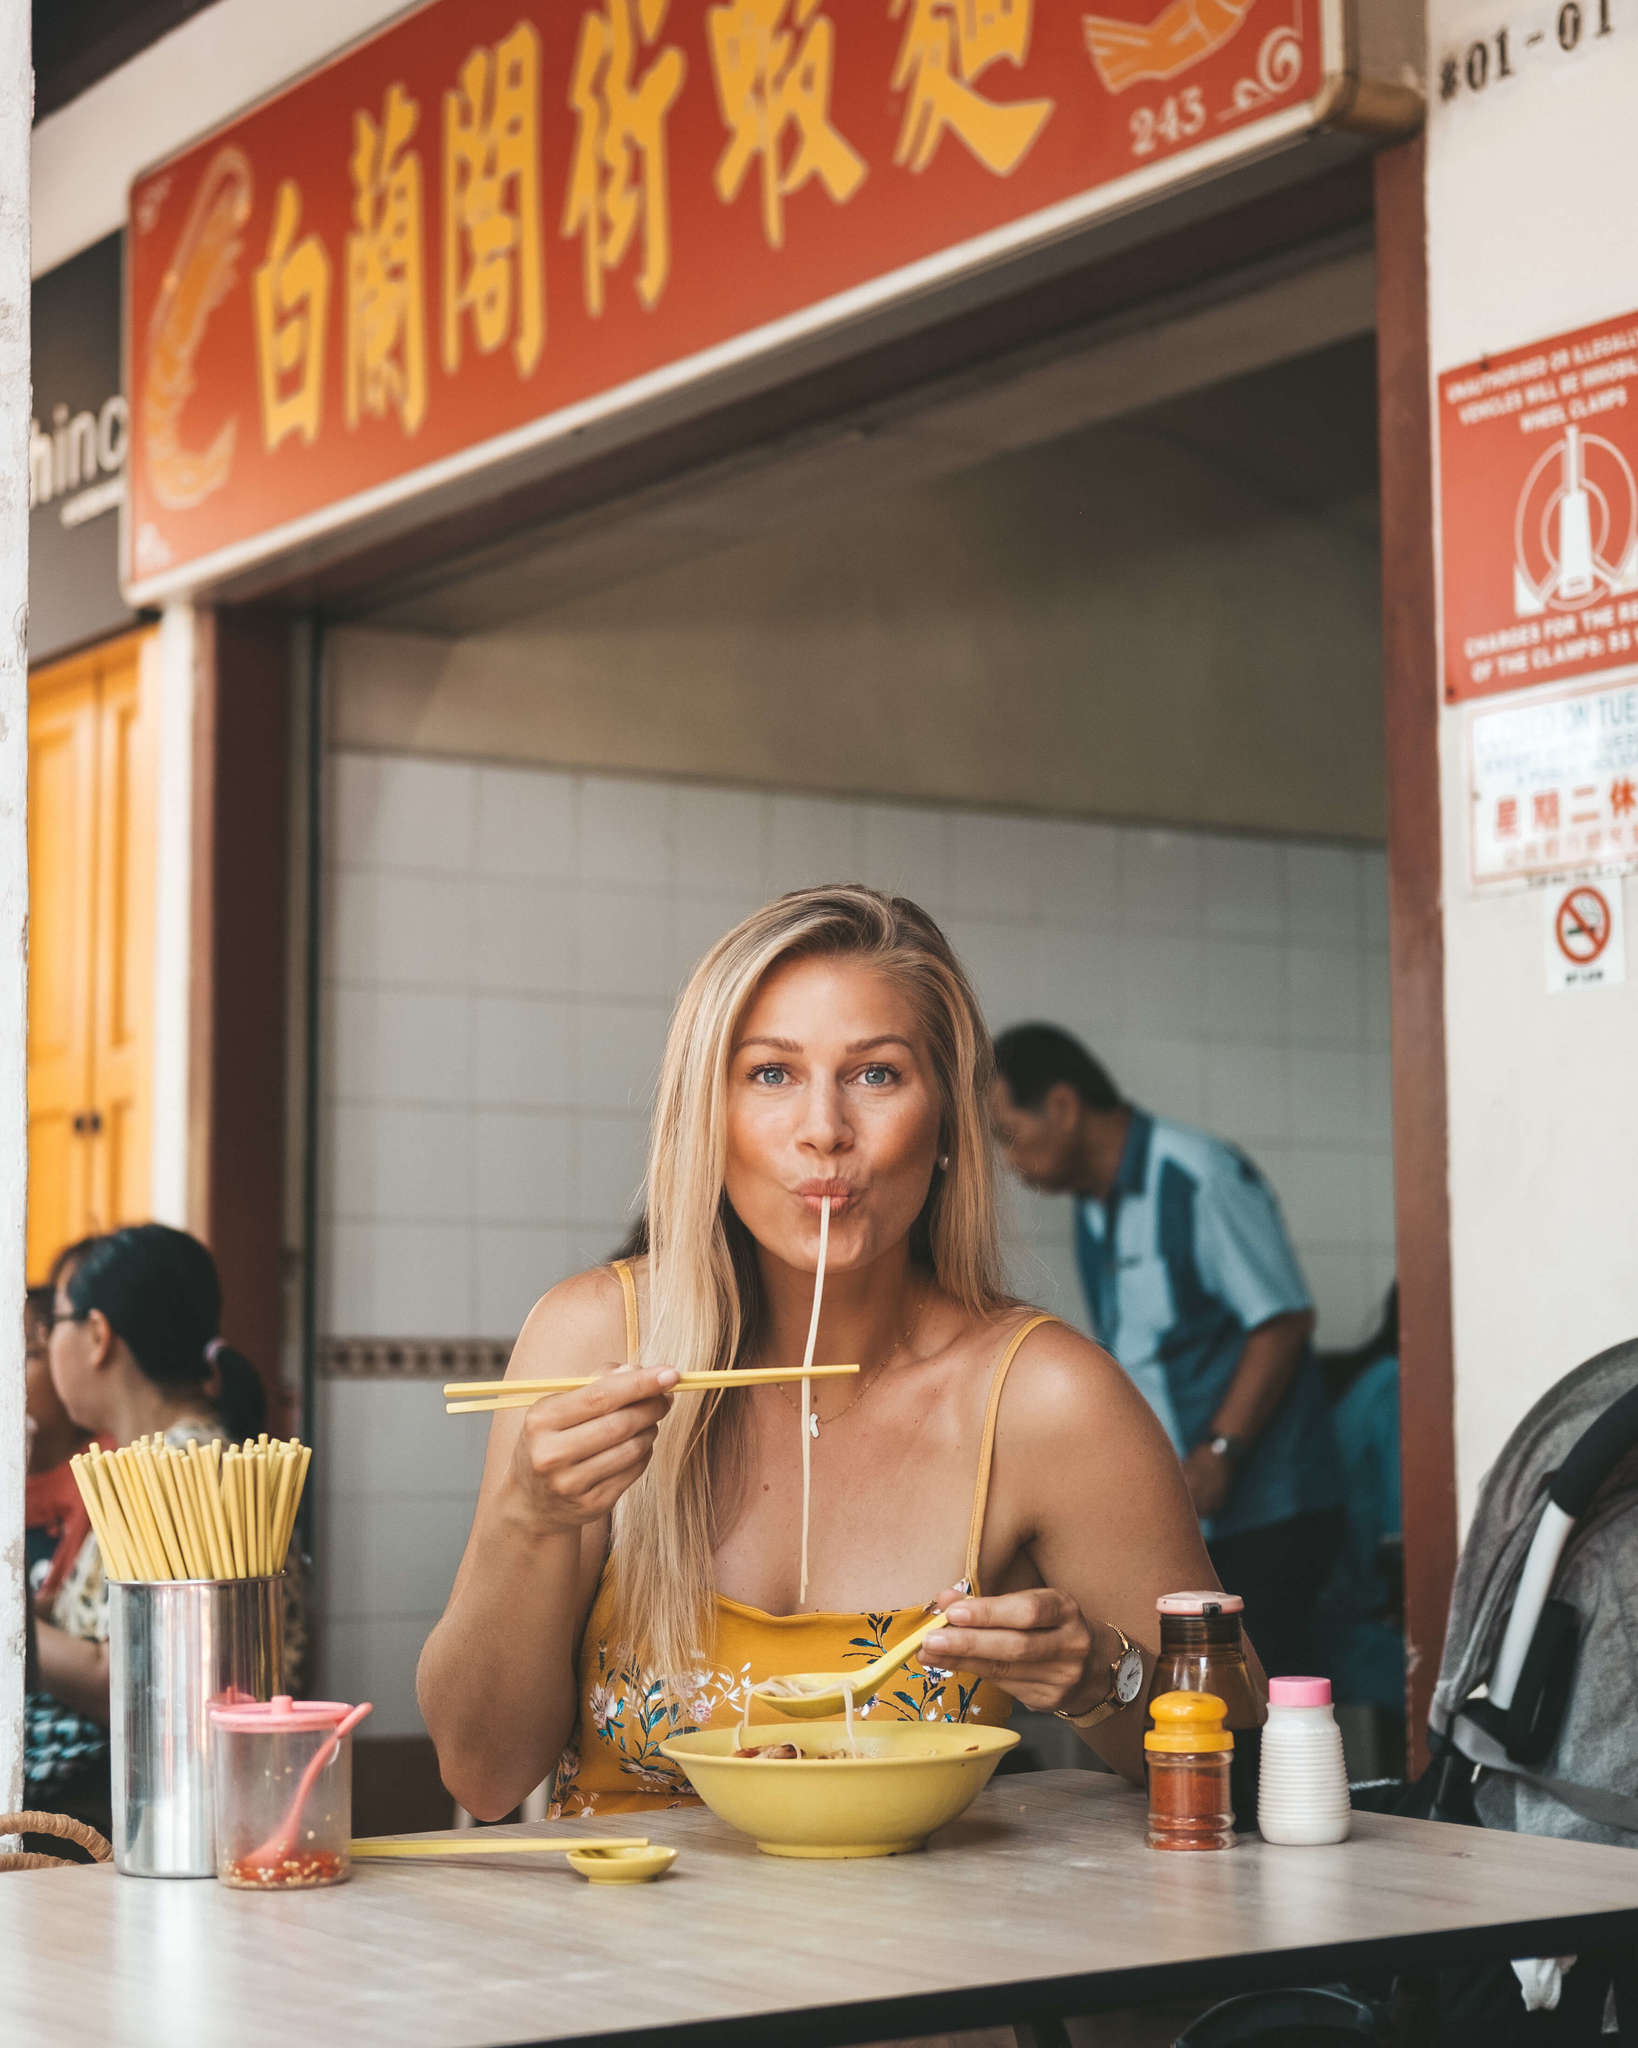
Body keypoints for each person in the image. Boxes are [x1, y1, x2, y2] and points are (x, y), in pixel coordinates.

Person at [421, 887, 1228, 1825]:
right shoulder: (598, 1341)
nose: (824, 1130)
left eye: (876, 1075)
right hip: (621, 1954)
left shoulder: (1043, 1397)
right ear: (706, 1118)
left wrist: (1099, 1676)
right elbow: (479, 1775)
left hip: (921, 1961)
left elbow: (1239, 1761)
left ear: (949, 1129)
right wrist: (531, 1516)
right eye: (770, 1074)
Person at [991, 1022, 1343, 1684]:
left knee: (1261, 1712)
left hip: (1267, 1504)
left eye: (1009, 1135)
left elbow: (1282, 1321)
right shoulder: (1095, 1208)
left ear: (1062, 1108)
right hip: (1192, 1509)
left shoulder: (1196, 1177)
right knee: (1195, 1711)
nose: (1010, 1161)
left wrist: (1220, 1453)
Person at [31, 1224, 302, 1784]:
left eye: (53, 1321)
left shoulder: (183, 1471)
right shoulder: (149, 1461)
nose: (44, 1342)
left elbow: (130, 1681)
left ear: (98, 1335)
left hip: (152, 1795)